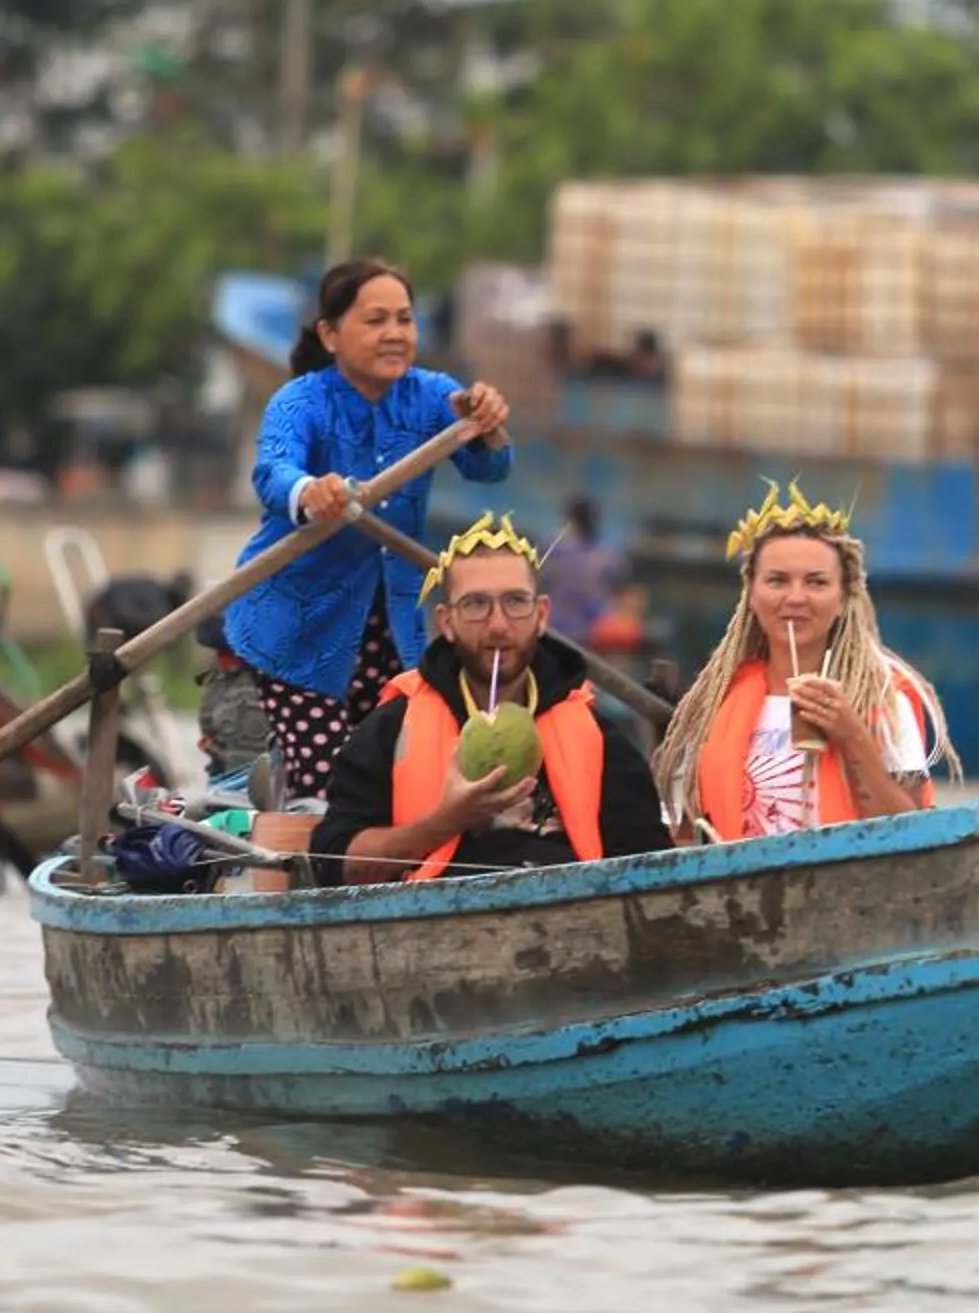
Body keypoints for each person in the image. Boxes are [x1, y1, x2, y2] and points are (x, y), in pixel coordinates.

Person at [220, 258, 515, 801]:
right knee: (328, 786)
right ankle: (327, 864)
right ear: (331, 335)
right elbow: (272, 472)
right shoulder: (301, 400)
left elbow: (489, 468)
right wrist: (310, 492)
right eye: (376, 320)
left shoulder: (431, 396)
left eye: (405, 320)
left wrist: (487, 422)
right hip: (297, 627)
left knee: (399, 772)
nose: (395, 334)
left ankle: (395, 870)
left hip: (391, 620)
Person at [311, 513, 671, 883]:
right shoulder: (392, 726)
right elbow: (332, 862)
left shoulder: (597, 738)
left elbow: (652, 871)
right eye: (476, 604)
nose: (498, 625)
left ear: (541, 615)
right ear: (446, 622)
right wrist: (444, 822)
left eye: (515, 602)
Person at [652, 482, 959, 844]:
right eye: (778, 580)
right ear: (751, 592)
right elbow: (683, 839)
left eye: (816, 582)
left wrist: (853, 736)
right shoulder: (712, 706)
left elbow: (913, 836)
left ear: (843, 597)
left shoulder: (884, 700)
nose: (796, 598)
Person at [541, 494, 623, 635]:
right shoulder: (608, 555)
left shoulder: (553, 549)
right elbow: (619, 589)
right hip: (595, 628)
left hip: (560, 625)